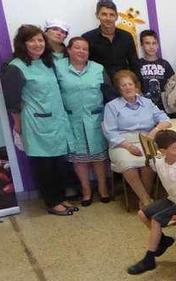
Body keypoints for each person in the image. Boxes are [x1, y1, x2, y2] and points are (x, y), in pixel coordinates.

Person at [2, 24, 74, 216]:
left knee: (59, 161)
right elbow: (12, 100)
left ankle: (60, 197)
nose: (37, 44)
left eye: (40, 40)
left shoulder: (46, 62)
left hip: (56, 121)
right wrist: (18, 124)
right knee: (44, 165)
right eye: (32, 40)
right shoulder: (15, 67)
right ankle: (52, 202)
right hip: (35, 122)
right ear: (22, 43)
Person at [126, 130, 176, 275]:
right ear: (163, 151)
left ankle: (149, 259)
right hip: (173, 199)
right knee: (142, 214)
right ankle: (163, 241)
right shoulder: (159, 162)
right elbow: (151, 156)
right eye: (175, 148)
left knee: (156, 220)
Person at [102, 69, 171, 208]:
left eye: (130, 84)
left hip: (146, 139)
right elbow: (110, 132)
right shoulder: (112, 106)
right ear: (119, 88)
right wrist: (128, 146)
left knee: (150, 162)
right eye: (123, 85)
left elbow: (166, 120)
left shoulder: (147, 102)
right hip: (122, 143)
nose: (128, 87)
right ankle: (145, 199)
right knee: (128, 164)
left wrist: (155, 130)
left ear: (136, 85)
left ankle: (144, 198)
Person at [56, 36, 112, 205]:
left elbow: (108, 92)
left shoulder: (98, 68)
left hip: (96, 118)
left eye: (85, 49)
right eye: (77, 48)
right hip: (71, 119)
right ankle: (86, 190)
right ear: (69, 50)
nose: (81, 51)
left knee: (98, 157)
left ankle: (102, 188)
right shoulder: (58, 68)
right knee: (79, 158)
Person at [82, 0, 137, 77]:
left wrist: (138, 86)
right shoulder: (87, 38)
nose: (108, 18)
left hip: (123, 84)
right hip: (99, 83)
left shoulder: (127, 36)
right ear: (97, 15)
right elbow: (83, 65)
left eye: (112, 15)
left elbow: (134, 64)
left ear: (116, 17)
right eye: (104, 14)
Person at [136, 30, 174, 111]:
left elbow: (172, 84)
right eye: (147, 43)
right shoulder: (138, 64)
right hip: (144, 107)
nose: (151, 46)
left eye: (154, 43)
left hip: (163, 107)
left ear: (157, 45)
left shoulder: (165, 64)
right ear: (142, 45)